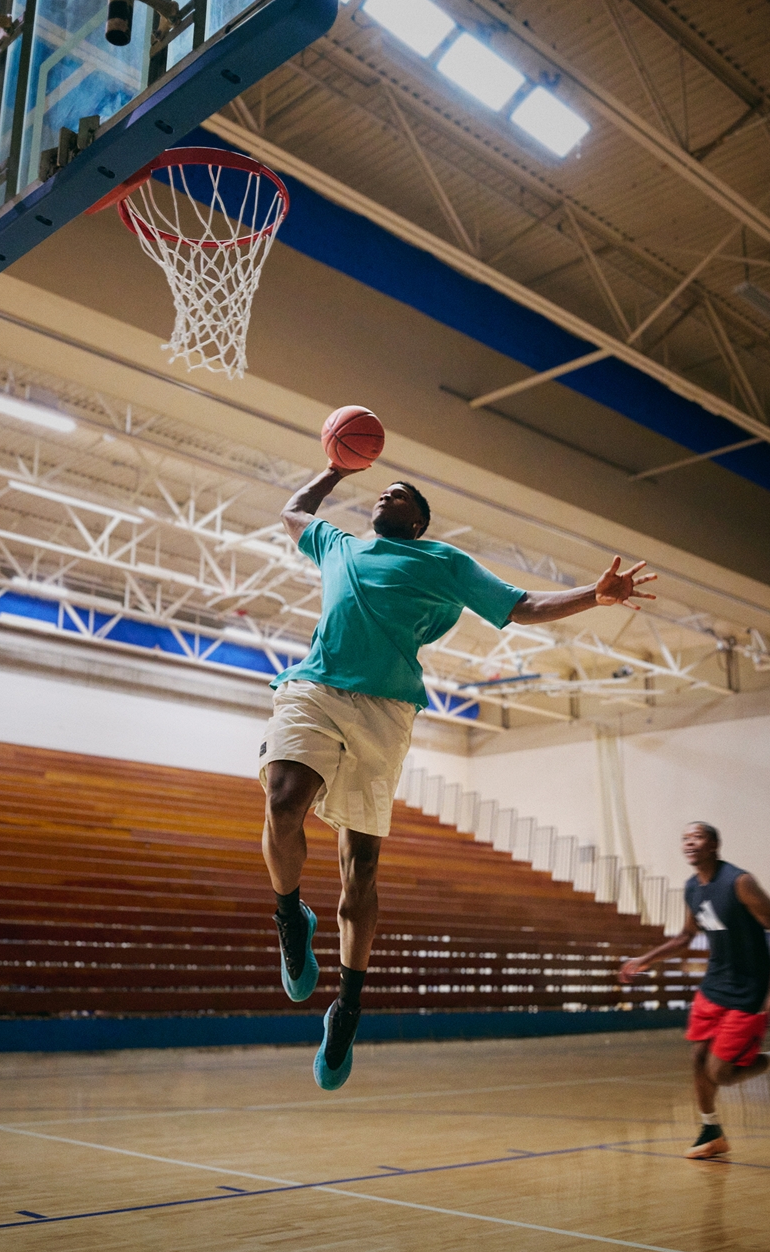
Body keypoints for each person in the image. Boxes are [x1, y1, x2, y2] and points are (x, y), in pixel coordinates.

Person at [264, 462, 657, 1090]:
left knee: (358, 873)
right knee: (283, 804)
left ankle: (349, 1005)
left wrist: (593, 595)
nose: (388, 493)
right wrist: (335, 467)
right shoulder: (338, 544)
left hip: (386, 709)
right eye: (384, 490)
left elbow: (521, 605)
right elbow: (293, 513)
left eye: (403, 496)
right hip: (314, 688)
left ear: (416, 522)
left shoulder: (443, 561)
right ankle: (290, 918)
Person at [618, 822, 770, 1157]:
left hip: (749, 990)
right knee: (697, 1057)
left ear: (715, 844)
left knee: (721, 1073)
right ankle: (710, 1130)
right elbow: (685, 937)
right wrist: (644, 959)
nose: (690, 843)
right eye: (685, 839)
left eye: (697, 837)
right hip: (714, 985)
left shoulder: (739, 882)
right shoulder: (692, 887)